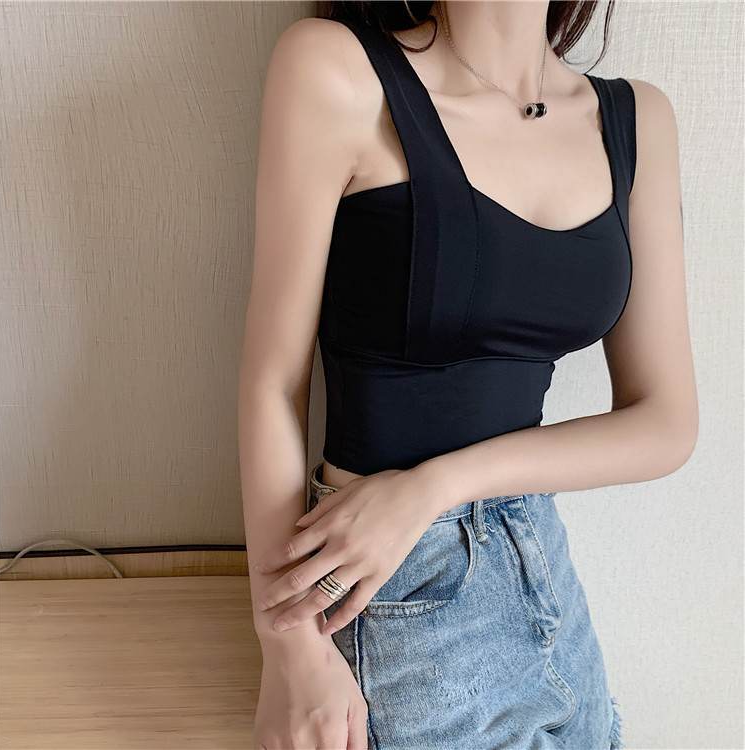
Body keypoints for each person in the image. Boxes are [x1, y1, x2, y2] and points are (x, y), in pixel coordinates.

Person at [239, 1, 698, 748]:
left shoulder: (637, 119)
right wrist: (287, 645)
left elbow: (666, 423)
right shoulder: (337, 70)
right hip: (397, 590)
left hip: (546, 576)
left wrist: (436, 486)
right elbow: (271, 384)